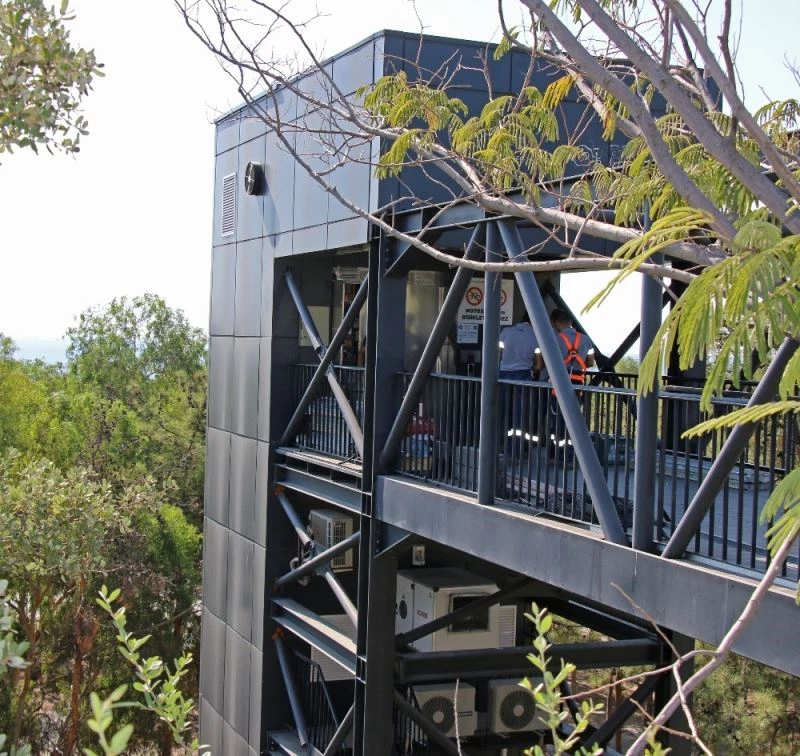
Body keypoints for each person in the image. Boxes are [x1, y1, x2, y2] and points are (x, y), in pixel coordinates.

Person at [535, 309, 595, 453]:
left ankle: (556, 454)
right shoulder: (585, 339)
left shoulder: (553, 339)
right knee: (574, 419)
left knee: (558, 419)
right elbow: (591, 363)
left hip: (559, 385)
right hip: (577, 385)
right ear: (571, 322)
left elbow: (545, 361)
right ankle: (570, 453)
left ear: (556, 323)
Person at [498, 313, 538, 458]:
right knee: (518, 416)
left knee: (500, 412)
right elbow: (539, 365)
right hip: (523, 376)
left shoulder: (506, 331)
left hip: (502, 375)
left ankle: (493, 447)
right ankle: (513, 451)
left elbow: (498, 353)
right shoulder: (536, 336)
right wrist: (532, 368)